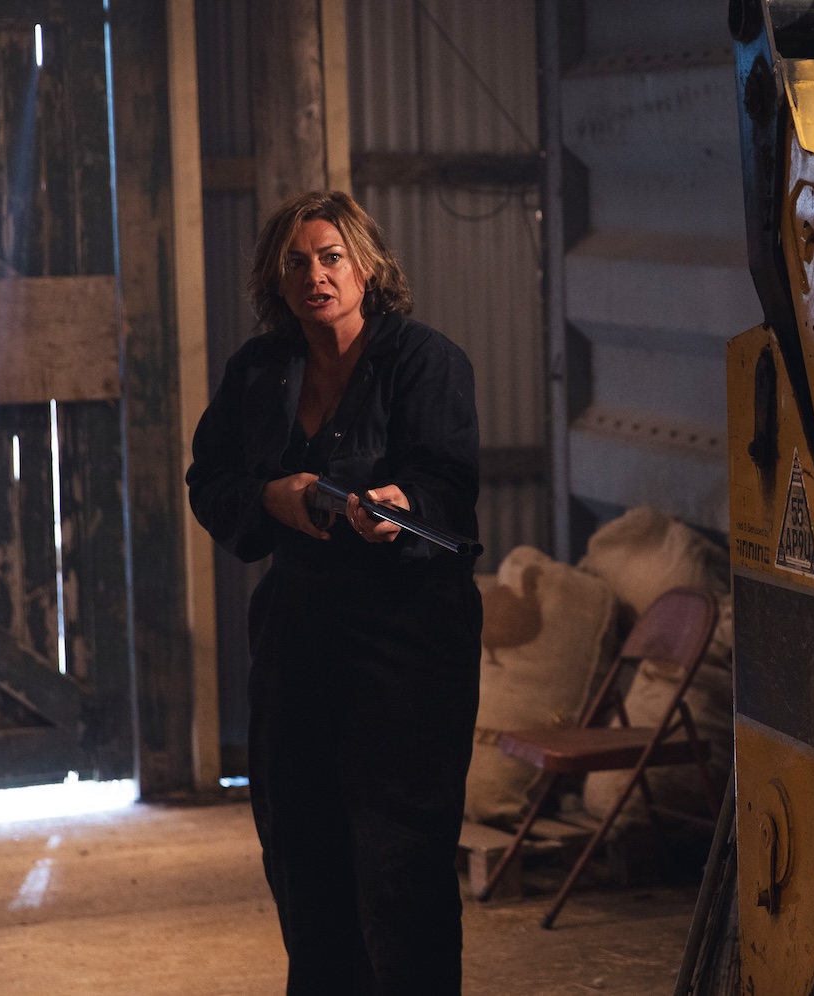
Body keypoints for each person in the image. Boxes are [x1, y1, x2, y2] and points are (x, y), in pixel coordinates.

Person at [187, 190, 482, 994]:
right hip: (298, 638)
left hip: (406, 648)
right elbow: (209, 479)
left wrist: (402, 509)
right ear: (274, 280)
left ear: (367, 266)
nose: (315, 275)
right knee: (301, 856)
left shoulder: (425, 360)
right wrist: (270, 500)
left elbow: (452, 491)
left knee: (401, 868)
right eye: (295, 262)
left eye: (330, 257)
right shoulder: (257, 371)